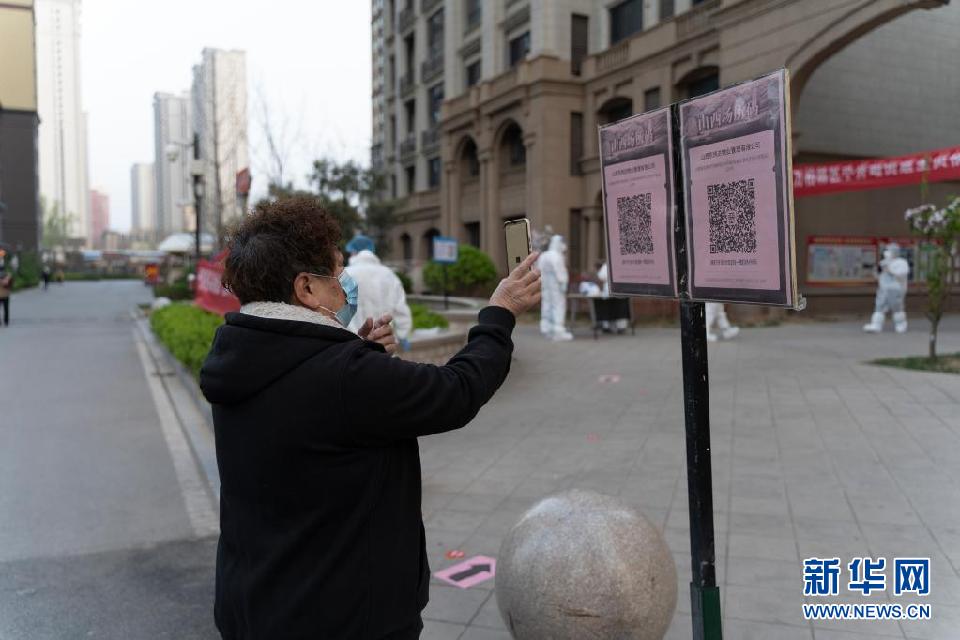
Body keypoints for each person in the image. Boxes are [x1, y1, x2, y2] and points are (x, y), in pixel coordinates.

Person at [199, 197, 541, 640]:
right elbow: (457, 392)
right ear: (305, 288)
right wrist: (500, 313)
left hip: (253, 605)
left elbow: (313, 415)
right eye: (336, 275)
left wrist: (359, 355)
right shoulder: (345, 377)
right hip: (342, 618)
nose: (344, 287)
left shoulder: (237, 358)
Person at [344, 238, 414, 348]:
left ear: (354, 252)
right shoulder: (389, 274)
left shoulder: (346, 274)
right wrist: (403, 334)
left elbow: (337, 311)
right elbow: (400, 308)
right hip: (384, 343)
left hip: (352, 346)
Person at [863, 242, 909, 333]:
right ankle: (876, 325)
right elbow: (879, 274)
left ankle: (901, 325)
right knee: (879, 307)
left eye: (889, 250)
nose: (887, 252)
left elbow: (901, 274)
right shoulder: (883, 262)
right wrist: (876, 272)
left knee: (897, 308)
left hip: (896, 289)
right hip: (883, 289)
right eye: (886, 250)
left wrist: (890, 270)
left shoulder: (901, 262)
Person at [537, 235, 573, 341]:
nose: (564, 246)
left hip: (545, 285)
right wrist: (563, 283)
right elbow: (560, 271)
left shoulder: (544, 255)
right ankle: (558, 330)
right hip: (556, 286)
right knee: (558, 306)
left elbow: (538, 270)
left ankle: (546, 328)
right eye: (563, 243)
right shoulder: (556, 256)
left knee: (546, 305)